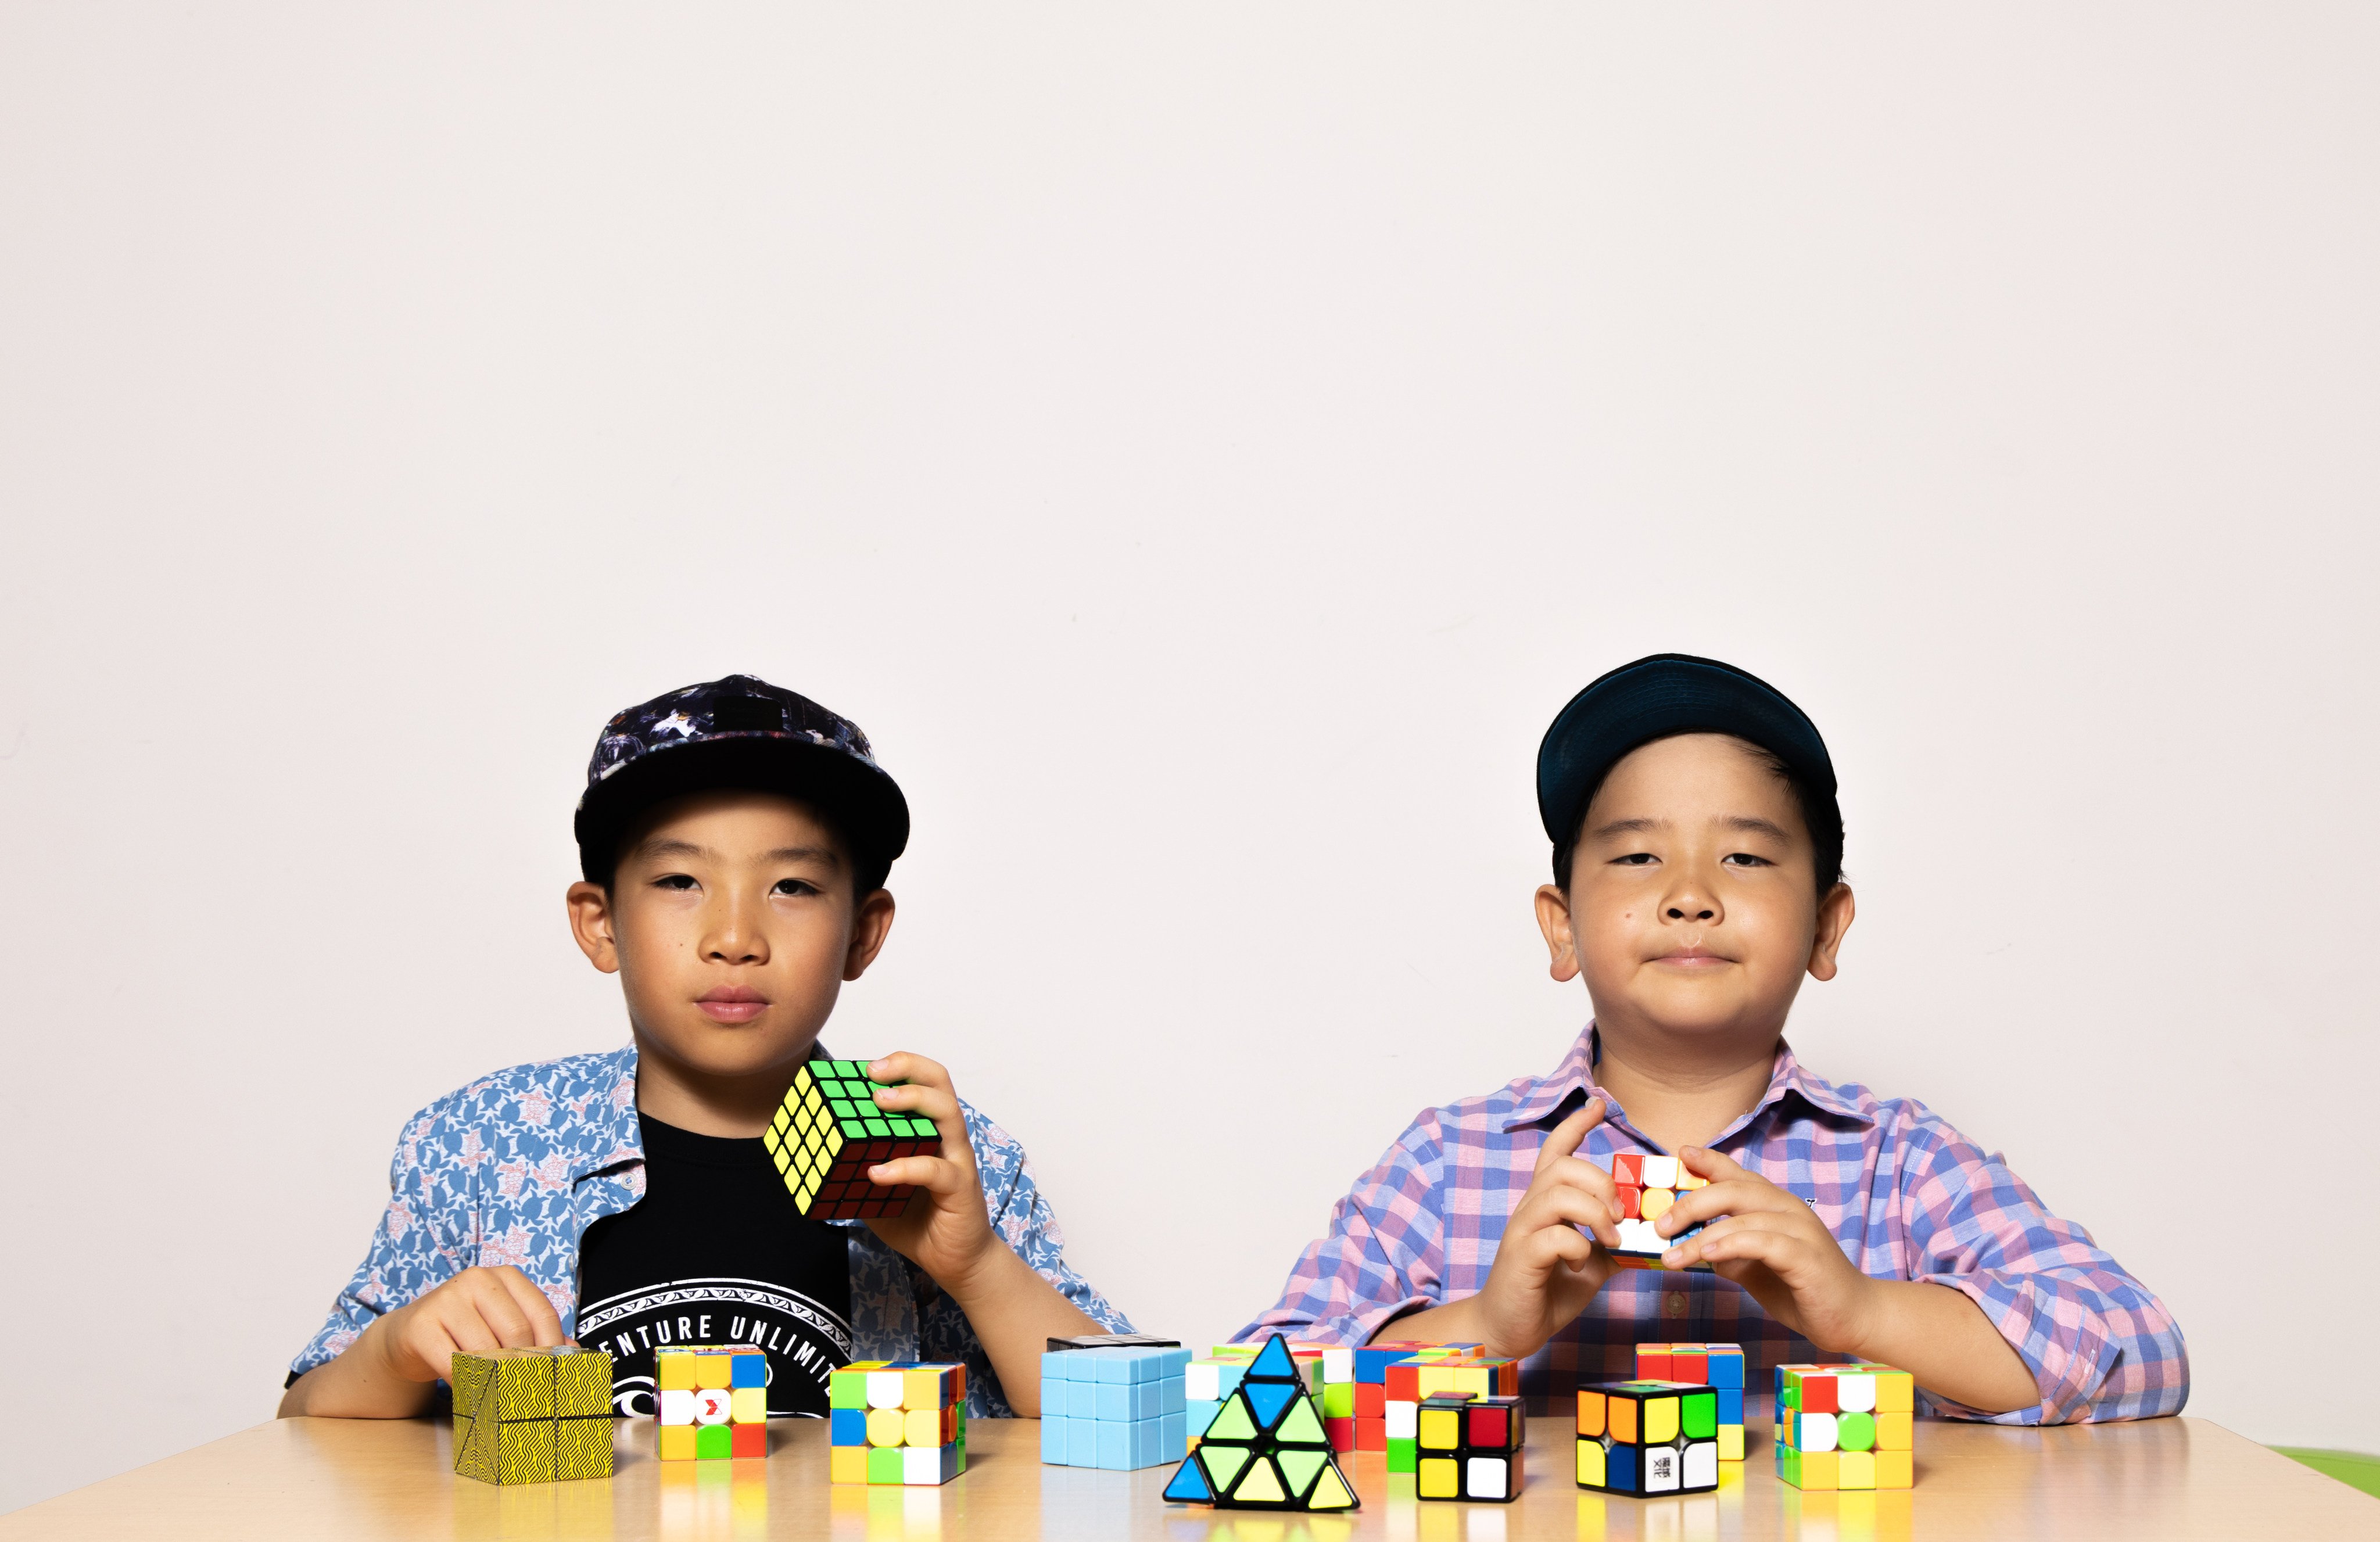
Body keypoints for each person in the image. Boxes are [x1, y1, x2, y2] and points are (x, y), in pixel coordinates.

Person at [1238, 654, 2187, 1422]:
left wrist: (1862, 1307)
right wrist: (1483, 1324)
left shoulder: (1900, 1161)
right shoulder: (1451, 1161)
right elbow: (1249, 1386)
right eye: (1639, 854)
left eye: (1744, 855)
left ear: (1825, 926)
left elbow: (2139, 1348)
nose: (1690, 891)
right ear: (1562, 926)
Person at [280, 674, 1124, 1421]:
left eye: (792, 886)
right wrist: (397, 1349)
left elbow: (1131, 1413)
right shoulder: (477, 1143)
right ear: (600, 921)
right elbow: (303, 1414)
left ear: (863, 934)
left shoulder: (940, 1158)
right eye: (681, 881)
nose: (734, 935)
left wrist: (976, 1264)